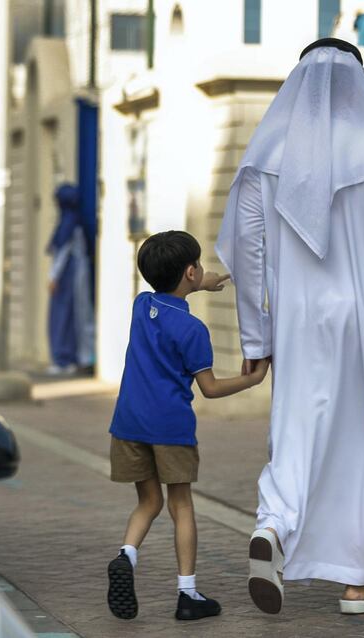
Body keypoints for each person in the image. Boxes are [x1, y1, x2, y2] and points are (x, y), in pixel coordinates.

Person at [215, 38, 364, 615]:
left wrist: (255, 340)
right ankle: (359, 585)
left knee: (293, 434)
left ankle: (271, 527)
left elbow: (247, 256)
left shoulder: (264, 156)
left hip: (295, 327)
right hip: (361, 325)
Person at [106, 230, 270, 621]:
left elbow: (170, 297)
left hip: (127, 424)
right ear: (192, 271)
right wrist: (252, 379)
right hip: (170, 429)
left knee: (148, 502)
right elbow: (209, 388)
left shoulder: (140, 304)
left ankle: (126, 556)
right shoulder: (193, 330)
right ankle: (188, 593)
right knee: (181, 505)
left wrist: (198, 284)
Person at [47, 183, 95, 375]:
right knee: (78, 317)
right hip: (77, 276)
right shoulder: (77, 222)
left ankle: (65, 359)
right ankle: (78, 357)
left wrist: (53, 277)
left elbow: (62, 254)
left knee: (64, 318)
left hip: (69, 278)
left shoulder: (68, 224)